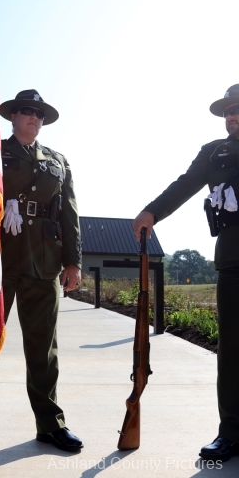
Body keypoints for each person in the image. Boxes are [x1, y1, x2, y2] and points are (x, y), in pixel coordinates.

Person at [0, 89, 83, 454]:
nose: (34, 118)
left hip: (44, 263)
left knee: (44, 350)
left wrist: (73, 262)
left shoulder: (58, 161)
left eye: (39, 114)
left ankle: (51, 425)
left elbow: (69, 214)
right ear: (13, 116)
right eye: (27, 111)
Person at [133, 84, 239, 463]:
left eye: (237, 108)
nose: (231, 115)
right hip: (232, 260)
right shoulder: (213, 152)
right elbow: (185, 185)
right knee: (232, 351)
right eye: (227, 110)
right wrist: (152, 211)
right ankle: (231, 432)